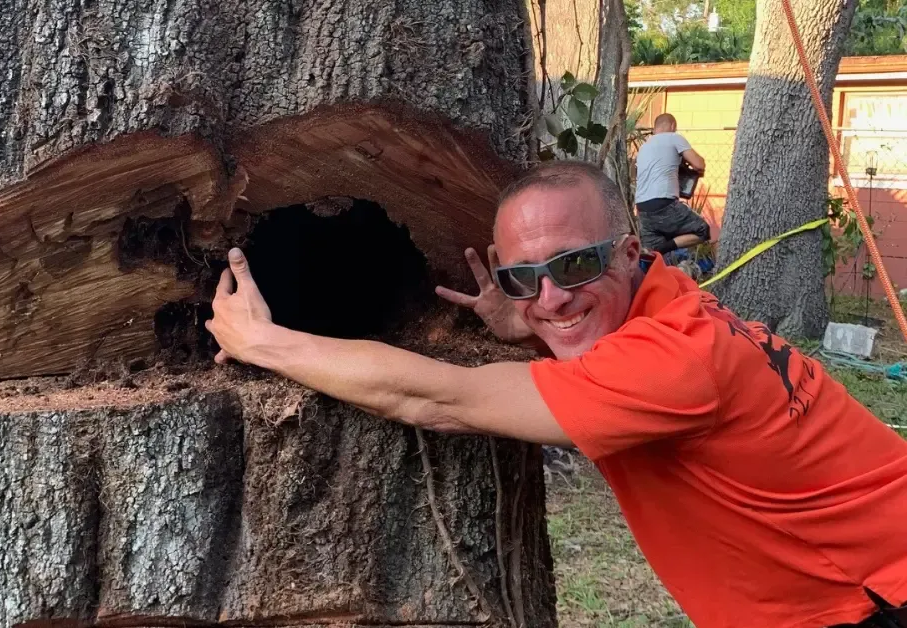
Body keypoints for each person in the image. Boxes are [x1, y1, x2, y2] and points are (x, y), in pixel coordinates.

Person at [204, 160, 907, 628]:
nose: (551, 295)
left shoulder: (671, 362)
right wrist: (541, 322)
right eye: (523, 278)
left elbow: (439, 400)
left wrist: (265, 342)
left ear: (631, 254)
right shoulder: (672, 303)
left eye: (575, 264)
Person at [635, 113, 711, 256]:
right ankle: (663, 248)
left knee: (654, 259)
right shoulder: (674, 138)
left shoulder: (644, 147)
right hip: (664, 204)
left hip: (642, 209)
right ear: (672, 126)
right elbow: (699, 164)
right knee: (702, 231)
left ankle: (655, 252)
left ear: (655, 128)